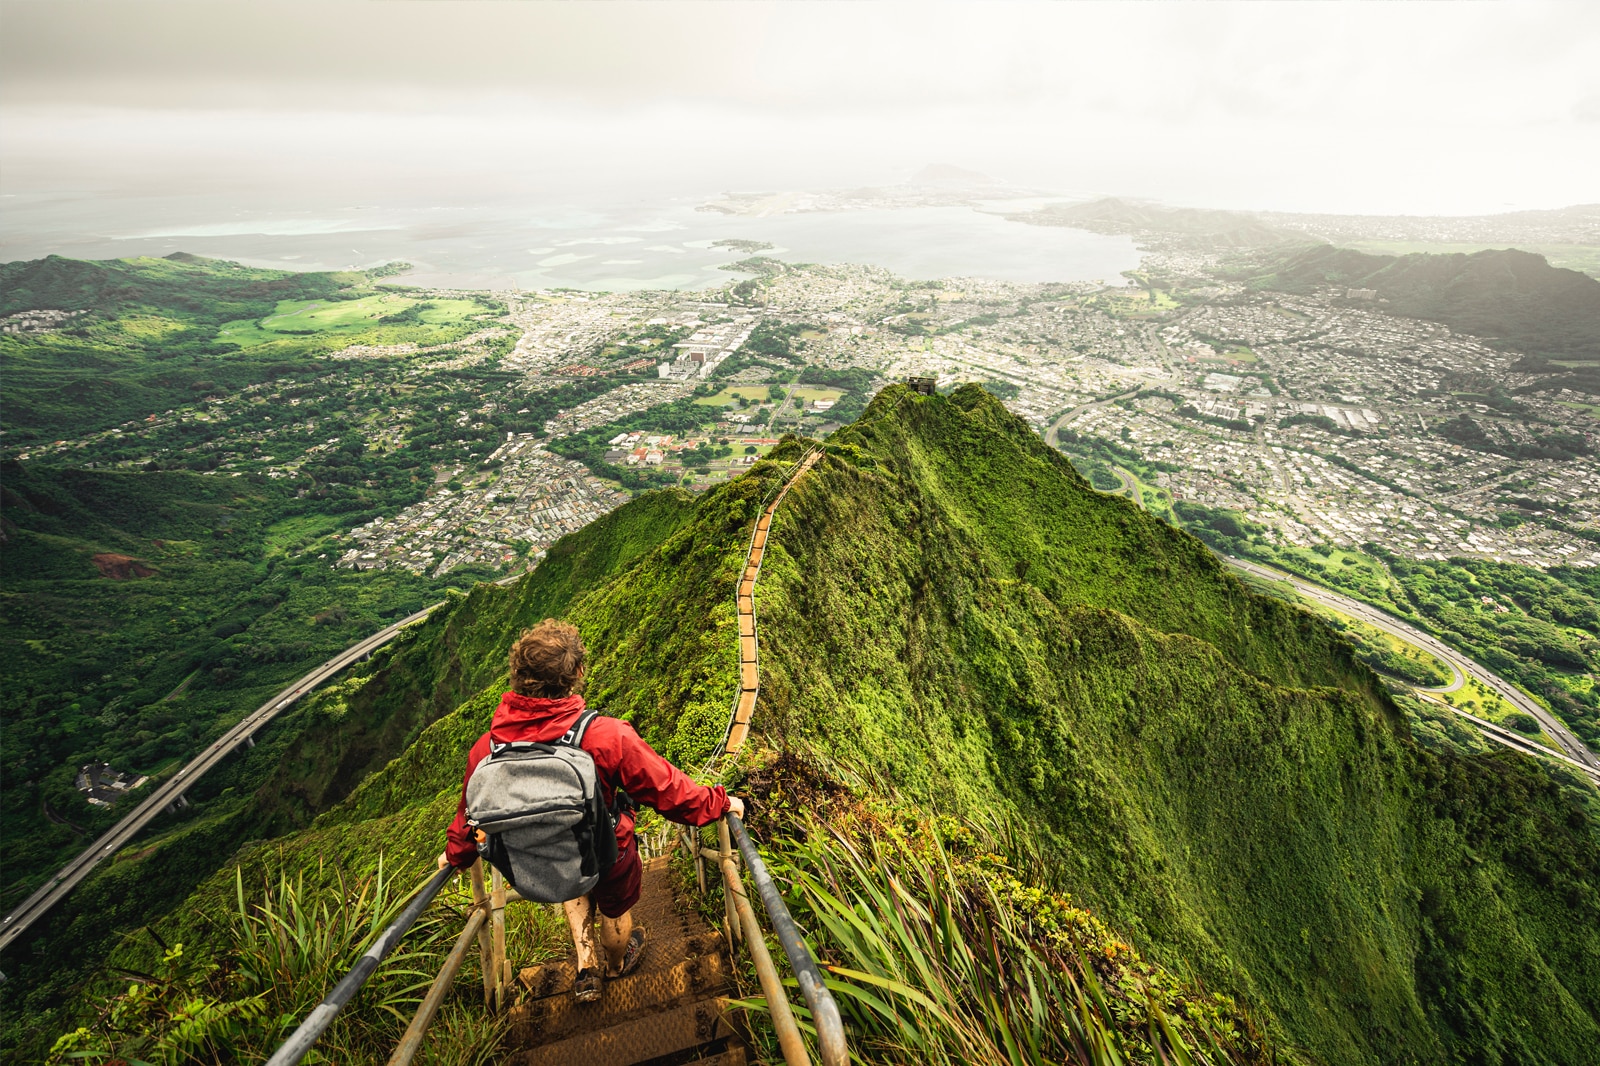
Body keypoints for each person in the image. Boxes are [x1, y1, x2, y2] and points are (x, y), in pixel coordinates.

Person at [437, 619, 744, 1002]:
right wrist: (721, 803)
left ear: (516, 678)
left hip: (543, 856)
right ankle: (615, 967)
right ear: (578, 673)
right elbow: (669, 791)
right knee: (615, 913)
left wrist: (455, 856)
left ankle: (586, 967)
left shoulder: (487, 749)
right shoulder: (605, 736)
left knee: (571, 872)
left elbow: (470, 817)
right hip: (606, 849)